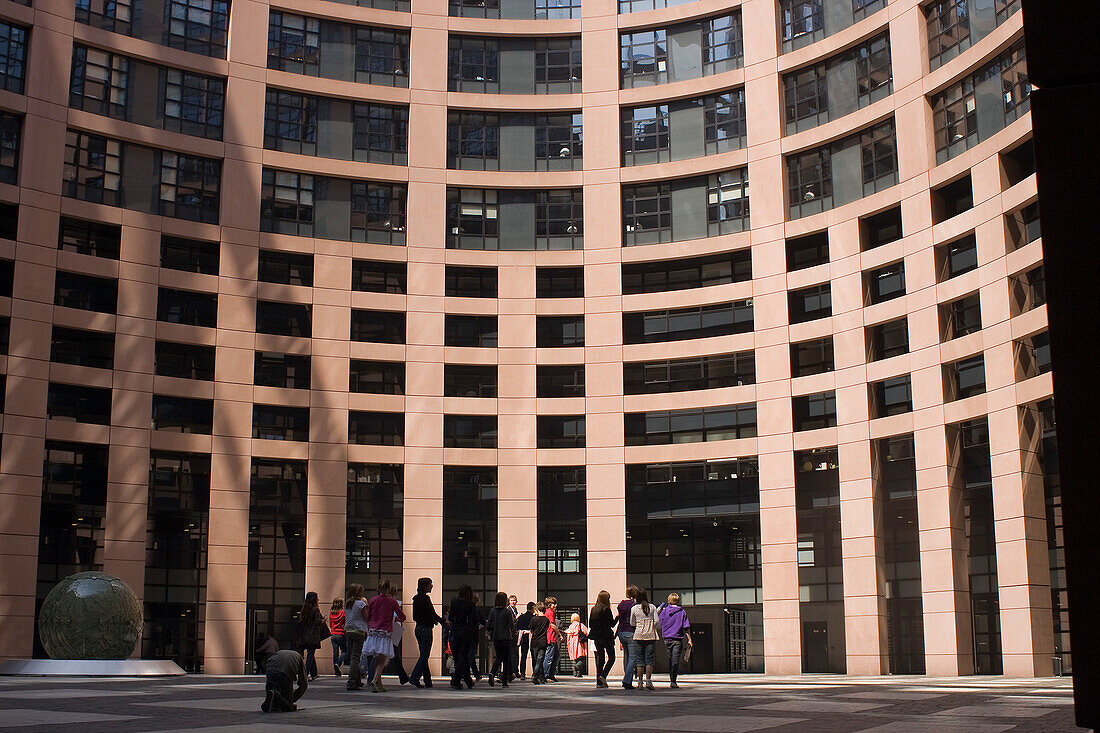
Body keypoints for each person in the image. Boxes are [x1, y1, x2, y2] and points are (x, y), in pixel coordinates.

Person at [362, 579, 405, 692]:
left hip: (373, 630)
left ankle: (379, 685)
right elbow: (402, 616)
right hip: (385, 631)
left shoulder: (372, 600)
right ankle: (375, 679)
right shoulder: (392, 602)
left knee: (376, 657)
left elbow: (369, 617)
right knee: (383, 658)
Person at [409, 577, 447, 689]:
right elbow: (432, 613)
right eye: (430, 584)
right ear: (425, 586)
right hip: (426, 629)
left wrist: (433, 620)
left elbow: (417, 616)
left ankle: (427, 680)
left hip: (418, 628)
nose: (432, 586)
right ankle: (414, 677)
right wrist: (442, 621)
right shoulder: (425, 599)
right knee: (425, 655)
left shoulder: (416, 599)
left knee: (423, 655)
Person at [658, 593, 692, 688]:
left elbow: (659, 622)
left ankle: (671, 678)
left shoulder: (665, 611)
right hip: (677, 639)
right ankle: (673, 680)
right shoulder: (682, 612)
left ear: (669, 600)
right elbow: (686, 627)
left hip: (667, 639)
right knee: (675, 660)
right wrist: (689, 639)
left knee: (670, 658)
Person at [629, 588, 661, 690]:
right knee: (649, 659)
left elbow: (632, 623)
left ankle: (639, 682)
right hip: (650, 635)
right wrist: (650, 625)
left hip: (638, 635)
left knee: (639, 659)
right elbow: (657, 621)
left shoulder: (634, 609)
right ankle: (648, 681)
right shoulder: (652, 607)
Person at [448, 584, 478, 689]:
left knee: (459, 657)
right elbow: (474, 620)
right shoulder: (470, 604)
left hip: (455, 631)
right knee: (463, 656)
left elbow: (451, 617)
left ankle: (467, 680)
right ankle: (457, 679)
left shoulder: (454, 602)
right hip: (466, 632)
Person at [261, 649, 308, 713]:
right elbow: (304, 683)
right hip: (284, 672)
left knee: (271, 686)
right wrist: (292, 699)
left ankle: (273, 702)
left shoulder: (280, 652)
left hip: (270, 670)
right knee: (287, 707)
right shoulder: (299, 658)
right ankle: (277, 696)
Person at [486, 592, 517, 687]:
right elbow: (512, 625)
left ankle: (492, 672)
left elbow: (488, 625)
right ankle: (504, 682)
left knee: (499, 657)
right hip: (506, 637)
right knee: (506, 659)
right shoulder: (507, 612)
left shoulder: (492, 611)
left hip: (496, 637)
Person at [293, 592, 325, 681]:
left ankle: (314, 673)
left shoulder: (304, 610)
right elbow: (317, 622)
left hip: (304, 635)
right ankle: (305, 674)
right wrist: (322, 621)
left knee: (310, 654)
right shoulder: (315, 609)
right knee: (310, 654)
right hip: (312, 635)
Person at [588, 590, 616, 688]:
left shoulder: (593, 609)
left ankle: (598, 682)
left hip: (596, 637)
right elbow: (611, 624)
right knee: (612, 658)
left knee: (600, 659)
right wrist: (617, 618)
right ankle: (603, 676)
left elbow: (590, 624)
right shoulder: (606, 609)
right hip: (606, 636)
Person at [344, 584, 368, 691]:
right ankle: (351, 682)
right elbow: (366, 617)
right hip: (358, 631)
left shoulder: (347, 604)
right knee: (355, 657)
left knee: (353, 656)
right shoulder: (361, 604)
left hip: (348, 631)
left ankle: (357, 681)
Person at [615, 585, 638, 689]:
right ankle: (627, 680)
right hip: (630, 631)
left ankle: (627, 678)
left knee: (627, 656)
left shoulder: (621, 604)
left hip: (621, 632)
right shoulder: (634, 605)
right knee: (633, 657)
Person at [527, 602, 551, 685]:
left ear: (537, 610)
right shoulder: (546, 620)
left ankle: (535, 675)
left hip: (535, 642)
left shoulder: (533, 619)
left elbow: (531, 630)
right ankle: (540, 677)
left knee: (535, 660)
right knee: (540, 660)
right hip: (543, 641)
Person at [565, 612, 590, 678]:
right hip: (580, 643)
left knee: (576, 659)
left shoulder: (570, 627)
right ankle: (577, 667)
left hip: (572, 644)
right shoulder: (580, 625)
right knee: (582, 658)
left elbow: (568, 637)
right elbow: (587, 632)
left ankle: (577, 673)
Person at [542, 596, 561, 682]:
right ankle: (546, 675)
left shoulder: (548, 612)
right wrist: (560, 635)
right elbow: (553, 625)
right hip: (551, 638)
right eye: (554, 604)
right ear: (550, 605)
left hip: (551, 637)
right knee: (549, 657)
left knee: (556, 656)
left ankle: (551, 674)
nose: (556, 605)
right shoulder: (550, 613)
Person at [515, 601, 534, 680]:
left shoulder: (522, 617)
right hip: (532, 637)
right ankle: (534, 673)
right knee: (534, 656)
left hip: (523, 637)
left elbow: (517, 627)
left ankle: (522, 673)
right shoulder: (533, 617)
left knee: (523, 655)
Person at [329, 597, 347, 677]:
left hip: (333, 634)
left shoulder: (331, 613)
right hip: (341, 634)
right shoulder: (343, 613)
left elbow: (330, 624)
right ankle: (338, 663)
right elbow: (345, 623)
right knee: (345, 651)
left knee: (335, 652)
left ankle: (336, 671)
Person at [507, 594, 520, 681]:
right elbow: (511, 621)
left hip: (515, 634)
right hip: (510, 634)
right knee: (511, 653)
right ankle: (511, 671)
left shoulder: (515, 609)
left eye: (514, 600)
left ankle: (515, 670)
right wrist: (516, 618)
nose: (513, 602)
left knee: (515, 653)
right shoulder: (508, 610)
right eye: (512, 600)